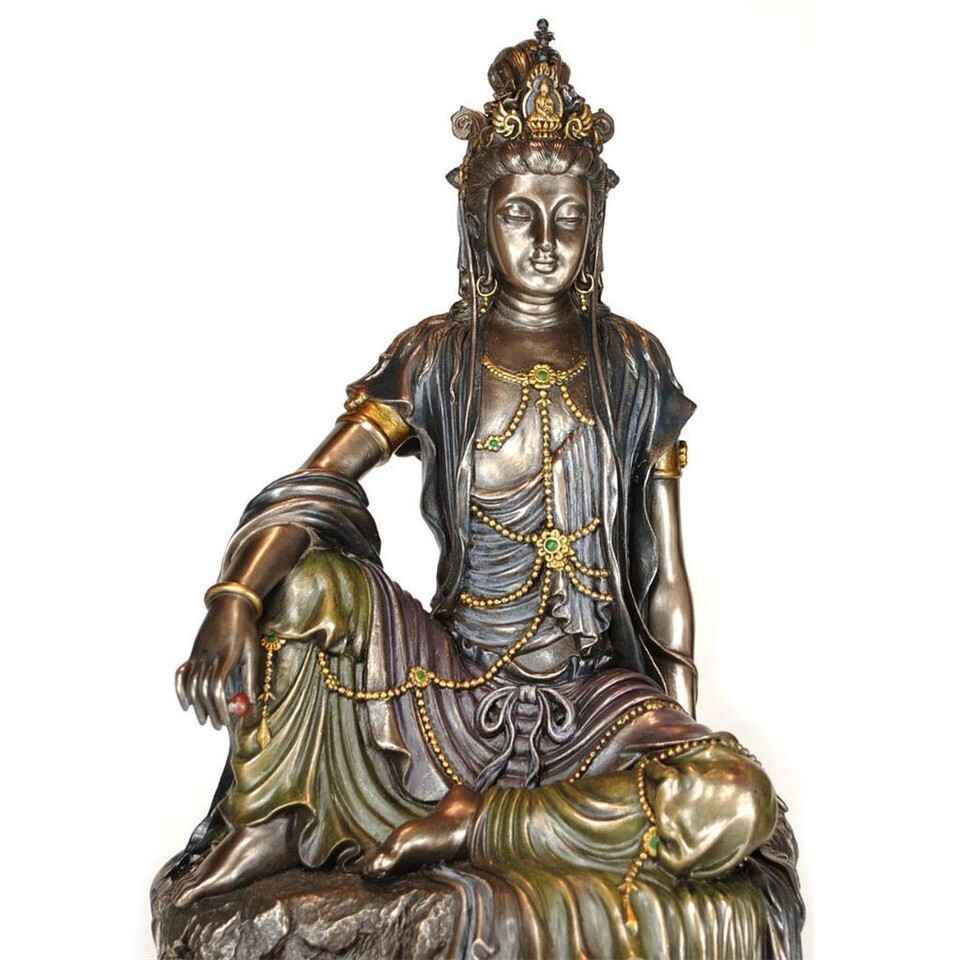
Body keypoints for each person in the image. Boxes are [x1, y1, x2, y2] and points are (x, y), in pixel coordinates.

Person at [161, 22, 803, 959]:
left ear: (596, 222)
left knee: (737, 800)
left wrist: (679, 725)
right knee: (306, 584)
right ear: (479, 219)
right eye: (520, 214)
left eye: (569, 217)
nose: (546, 242)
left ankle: (479, 827)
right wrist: (235, 597)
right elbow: (316, 485)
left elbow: (664, 572)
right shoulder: (435, 354)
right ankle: (277, 819)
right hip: (450, 682)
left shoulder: (632, 363)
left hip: (593, 697)